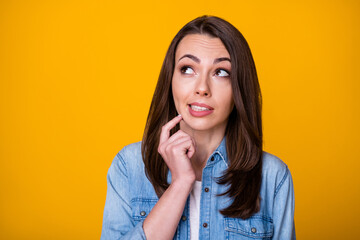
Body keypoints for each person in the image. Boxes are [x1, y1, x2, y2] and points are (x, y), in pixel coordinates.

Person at [100, 15, 295, 240]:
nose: (202, 88)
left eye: (221, 72)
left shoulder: (273, 176)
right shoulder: (129, 166)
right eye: (188, 69)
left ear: (239, 88)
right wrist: (180, 184)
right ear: (170, 79)